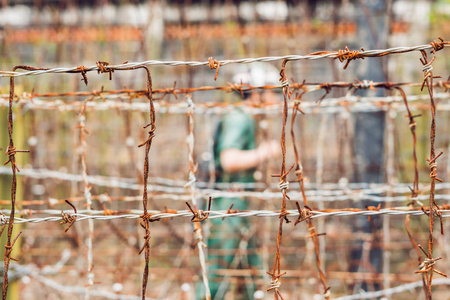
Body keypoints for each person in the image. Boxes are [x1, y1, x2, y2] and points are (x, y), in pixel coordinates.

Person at [205, 63, 281, 300]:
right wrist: (265, 151)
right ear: (255, 92)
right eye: (272, 90)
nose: (276, 96)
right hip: (228, 207)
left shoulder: (247, 117)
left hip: (239, 205)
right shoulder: (241, 118)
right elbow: (228, 159)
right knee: (219, 274)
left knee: (250, 274)